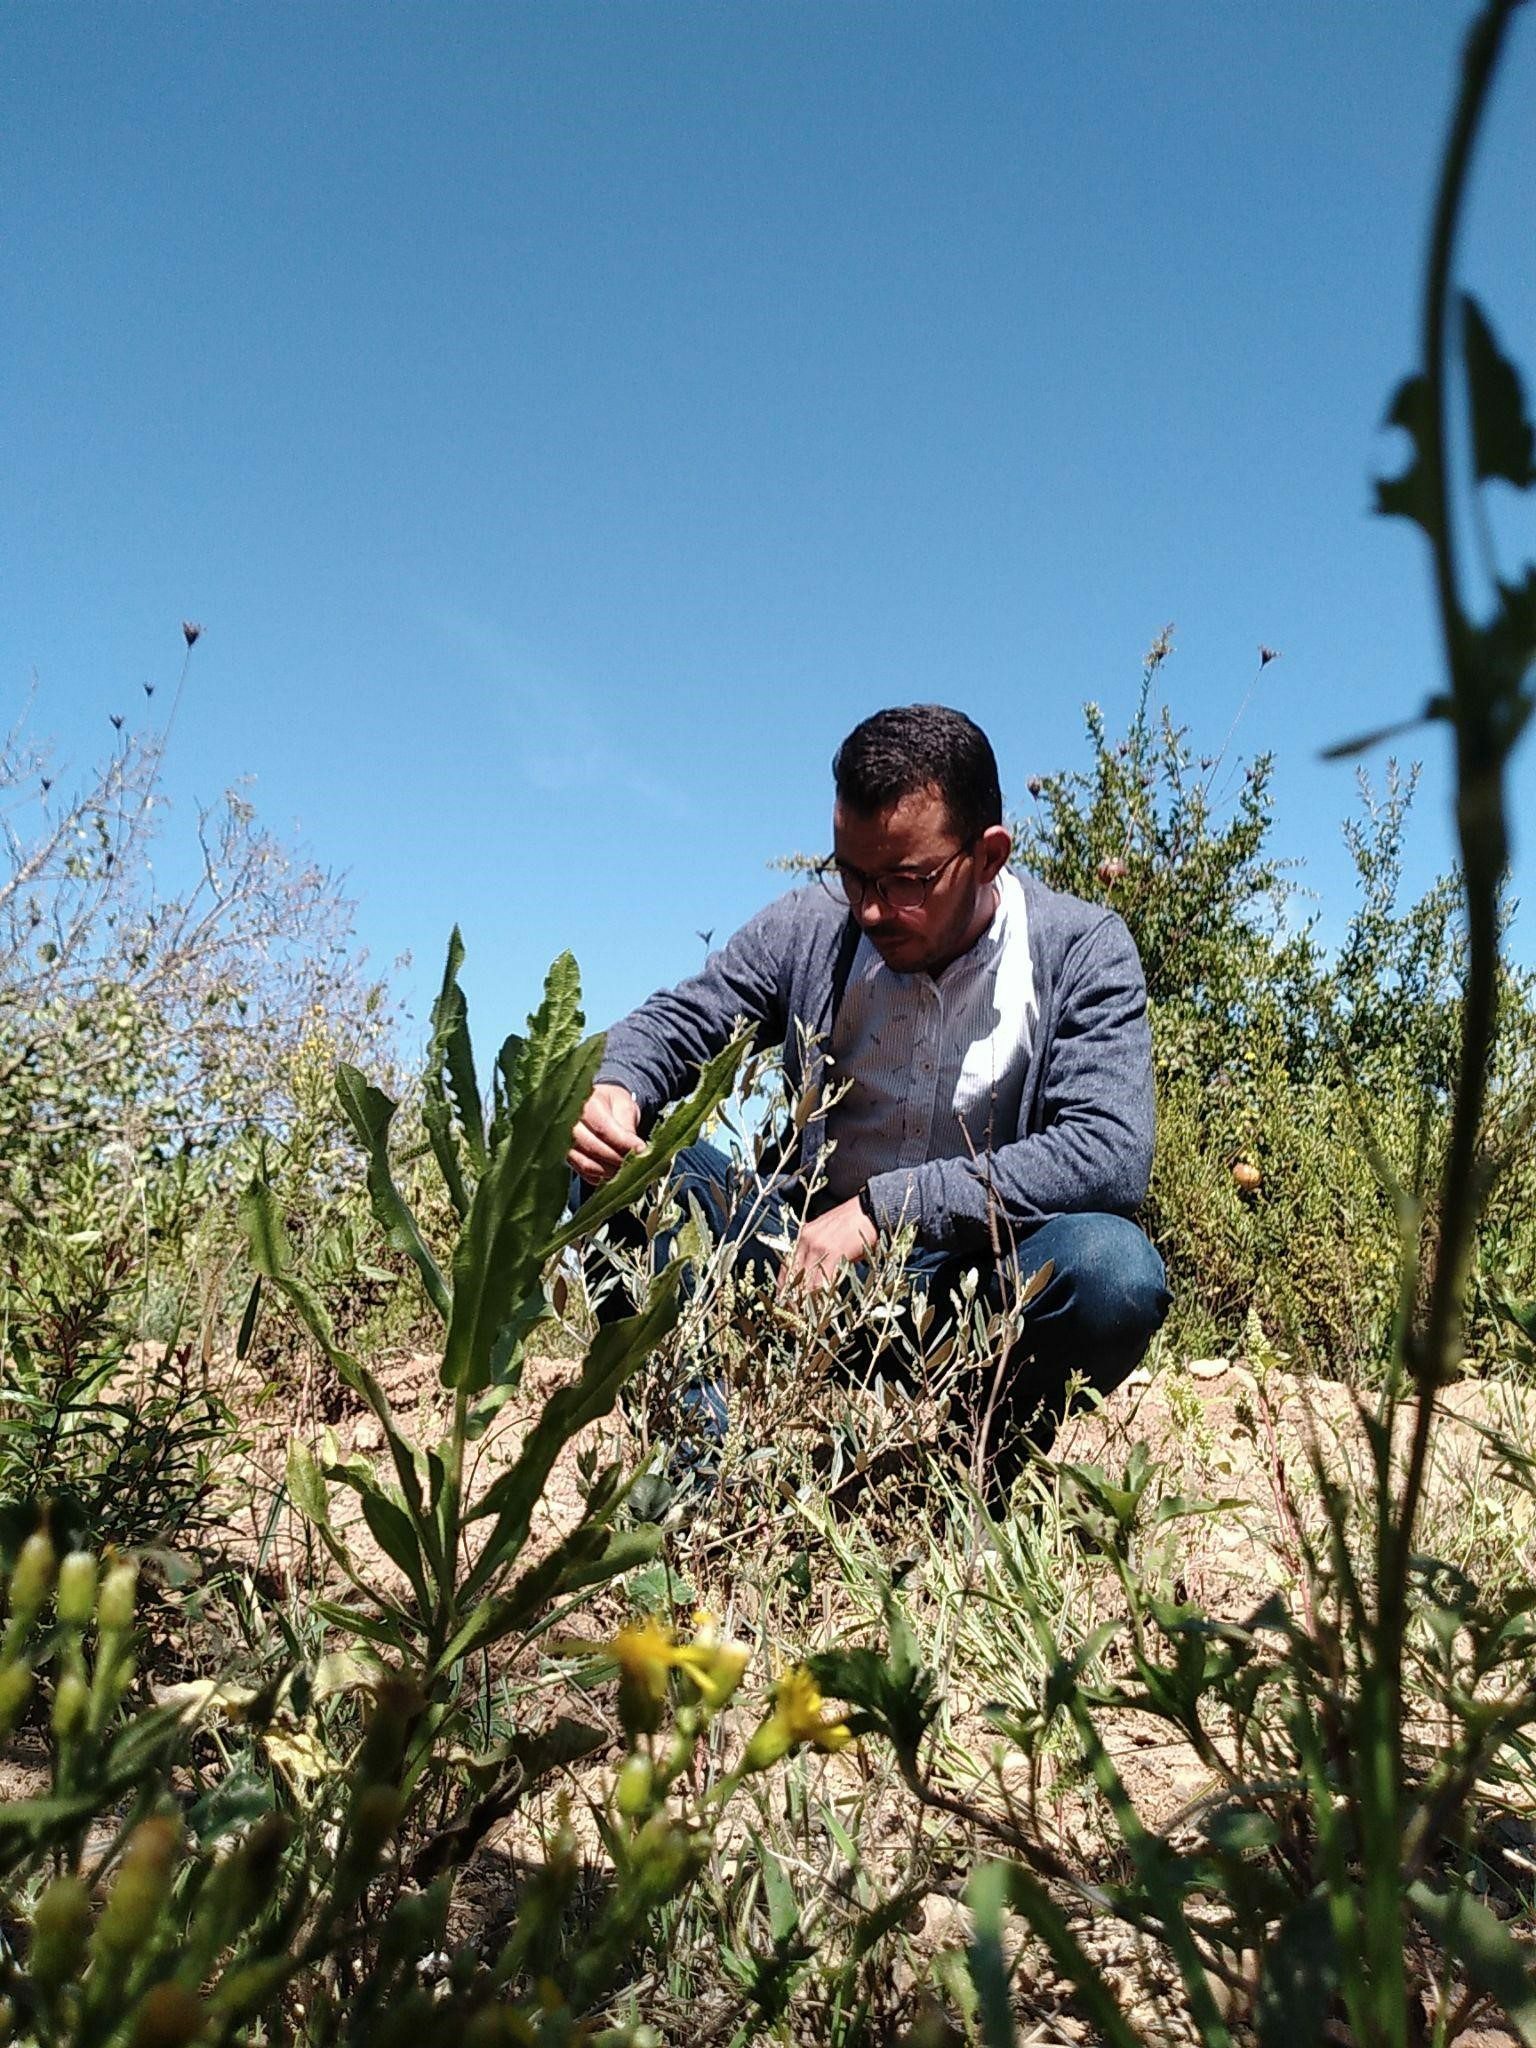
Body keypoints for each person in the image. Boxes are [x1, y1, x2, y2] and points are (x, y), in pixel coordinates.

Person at [568, 704, 1169, 1468]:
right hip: (798, 1271)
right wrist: (615, 1082)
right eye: (851, 874)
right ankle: (695, 1468)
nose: (873, 907)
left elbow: (1109, 1152)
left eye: (907, 880)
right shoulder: (811, 926)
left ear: (987, 856)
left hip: (973, 1292)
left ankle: (974, 1463)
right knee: (603, 1154)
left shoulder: (1079, 949)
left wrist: (890, 1209)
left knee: (1111, 1270)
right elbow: (685, 1019)